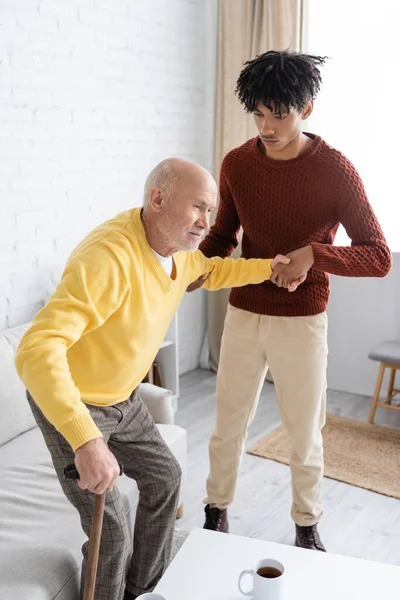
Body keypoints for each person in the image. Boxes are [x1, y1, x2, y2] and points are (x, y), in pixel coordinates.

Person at [15, 157, 298, 600]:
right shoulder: (108, 257)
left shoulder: (177, 253)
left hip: (122, 400)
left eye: (211, 211)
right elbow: (35, 350)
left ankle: (142, 591)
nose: (207, 222)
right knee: (111, 534)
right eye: (199, 208)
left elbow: (216, 270)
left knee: (165, 479)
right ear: (158, 198)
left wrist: (269, 267)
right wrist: (87, 441)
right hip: (74, 403)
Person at [190, 51, 392, 551]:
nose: (267, 126)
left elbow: (378, 256)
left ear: (308, 108)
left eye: (279, 114)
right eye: (258, 113)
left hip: (302, 322)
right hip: (243, 312)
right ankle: (216, 514)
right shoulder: (238, 162)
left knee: (304, 434)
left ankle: (306, 526)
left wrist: (313, 255)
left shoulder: (334, 170)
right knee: (227, 427)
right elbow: (222, 235)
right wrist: (187, 270)